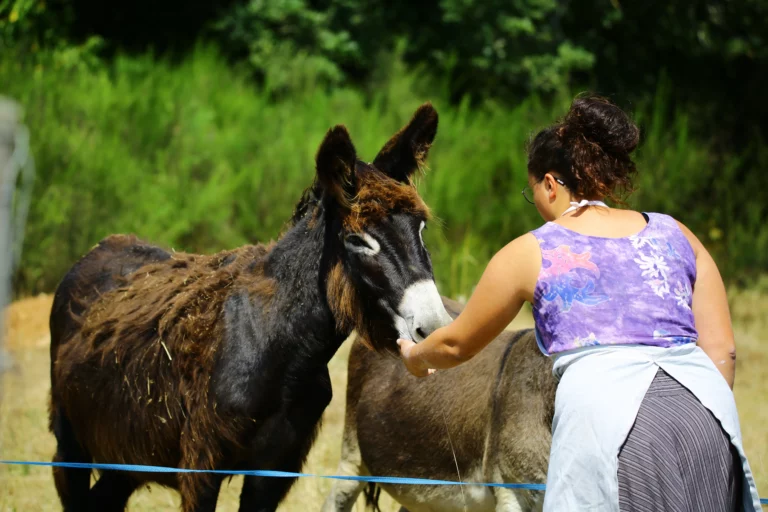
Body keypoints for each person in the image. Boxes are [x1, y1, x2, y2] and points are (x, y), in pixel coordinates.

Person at [396, 94, 761, 511]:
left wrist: (415, 357)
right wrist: (697, 412)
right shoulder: (676, 233)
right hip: (708, 413)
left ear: (550, 185)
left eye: (531, 191)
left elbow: (455, 344)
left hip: (608, 424)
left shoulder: (531, 251)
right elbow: (724, 349)